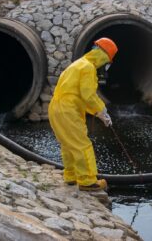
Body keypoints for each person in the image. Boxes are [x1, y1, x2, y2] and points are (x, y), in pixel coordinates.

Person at [48, 37, 118, 191]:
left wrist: (97, 112)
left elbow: (78, 95)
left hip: (56, 107)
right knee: (82, 145)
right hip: (68, 109)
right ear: (104, 56)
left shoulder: (78, 64)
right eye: (107, 62)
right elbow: (88, 95)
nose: (105, 66)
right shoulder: (88, 68)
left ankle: (71, 176)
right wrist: (102, 110)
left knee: (68, 144)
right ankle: (87, 181)